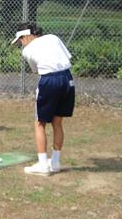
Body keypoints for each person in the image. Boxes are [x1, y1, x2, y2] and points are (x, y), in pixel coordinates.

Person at [11, 22, 75, 176]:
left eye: (20, 40)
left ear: (26, 36)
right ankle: (55, 162)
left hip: (49, 81)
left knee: (39, 123)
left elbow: (36, 70)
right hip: (68, 79)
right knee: (57, 122)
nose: (20, 43)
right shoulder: (53, 37)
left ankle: (42, 165)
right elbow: (67, 57)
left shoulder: (27, 50)